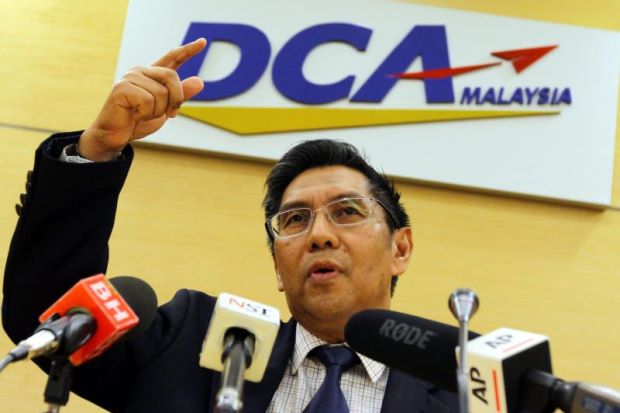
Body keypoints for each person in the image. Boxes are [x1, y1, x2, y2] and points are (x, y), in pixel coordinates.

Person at [2, 38, 457, 412]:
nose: (319, 235)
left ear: (400, 249)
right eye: (295, 219)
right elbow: (48, 315)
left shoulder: (463, 398)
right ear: (278, 268)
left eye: (347, 212)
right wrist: (99, 149)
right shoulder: (189, 345)